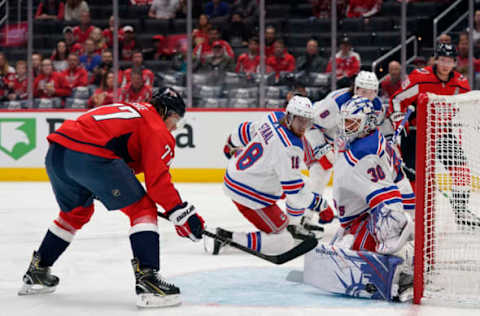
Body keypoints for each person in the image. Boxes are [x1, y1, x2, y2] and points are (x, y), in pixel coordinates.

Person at [18, 87, 205, 308]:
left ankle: (37, 271)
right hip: (90, 156)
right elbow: (158, 183)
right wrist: (182, 213)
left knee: (75, 213)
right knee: (143, 208)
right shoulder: (156, 127)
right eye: (176, 120)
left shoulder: (132, 110)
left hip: (57, 153)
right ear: (165, 111)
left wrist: (95, 179)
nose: (174, 128)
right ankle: (148, 282)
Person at [307, 96, 414, 301]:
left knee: (363, 249)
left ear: (367, 122)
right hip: (364, 211)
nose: (346, 127)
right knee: (340, 251)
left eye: (352, 121)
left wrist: (390, 230)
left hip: (381, 211)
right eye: (345, 121)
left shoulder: (366, 152)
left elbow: (387, 197)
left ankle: (405, 272)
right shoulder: (362, 140)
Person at [208, 96, 331, 256]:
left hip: (239, 174)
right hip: (248, 192)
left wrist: (231, 143)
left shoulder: (273, 117)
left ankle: (293, 226)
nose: (303, 127)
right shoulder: (290, 148)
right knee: (284, 242)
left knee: (303, 183)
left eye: (307, 122)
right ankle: (226, 239)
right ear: (289, 116)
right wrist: (320, 205)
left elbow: (245, 130)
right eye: (299, 121)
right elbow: (295, 194)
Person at [388, 43, 477, 227]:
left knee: (461, 171)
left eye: (450, 61)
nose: (445, 64)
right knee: (413, 177)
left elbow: (466, 104)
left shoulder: (460, 82)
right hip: (414, 134)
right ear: (436, 60)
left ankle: (461, 212)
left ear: (455, 62)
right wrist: (398, 121)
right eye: (442, 60)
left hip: (442, 133)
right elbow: (397, 99)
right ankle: (414, 216)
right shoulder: (420, 78)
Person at [305, 71, 389, 208]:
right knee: (320, 172)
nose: (368, 96)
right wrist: (322, 148)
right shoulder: (336, 101)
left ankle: (356, 211)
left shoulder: (377, 105)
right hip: (323, 136)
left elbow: (377, 126)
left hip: (346, 141)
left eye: (372, 92)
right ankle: (305, 215)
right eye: (363, 91)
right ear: (355, 88)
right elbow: (310, 123)